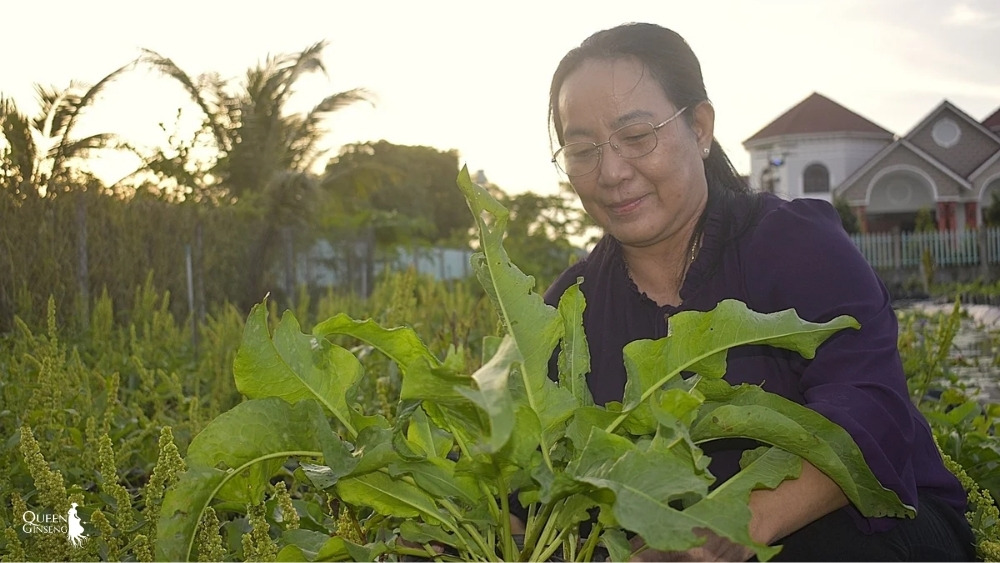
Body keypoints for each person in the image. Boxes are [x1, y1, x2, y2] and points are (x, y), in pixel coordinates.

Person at [540, 22, 977, 561]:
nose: (611, 173)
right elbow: (527, 472)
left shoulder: (793, 243)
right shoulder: (570, 307)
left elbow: (870, 411)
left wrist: (727, 532)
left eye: (637, 138)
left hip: (869, 532)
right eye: (582, 150)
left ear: (699, 128)